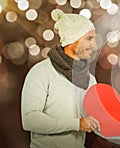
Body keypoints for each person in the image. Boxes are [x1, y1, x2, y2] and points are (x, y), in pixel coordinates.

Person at [21, 9, 100, 148]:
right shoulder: (41, 72)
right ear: (74, 40)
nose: (94, 45)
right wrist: (76, 124)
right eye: (89, 38)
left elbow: (99, 121)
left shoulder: (89, 80)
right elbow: (29, 119)